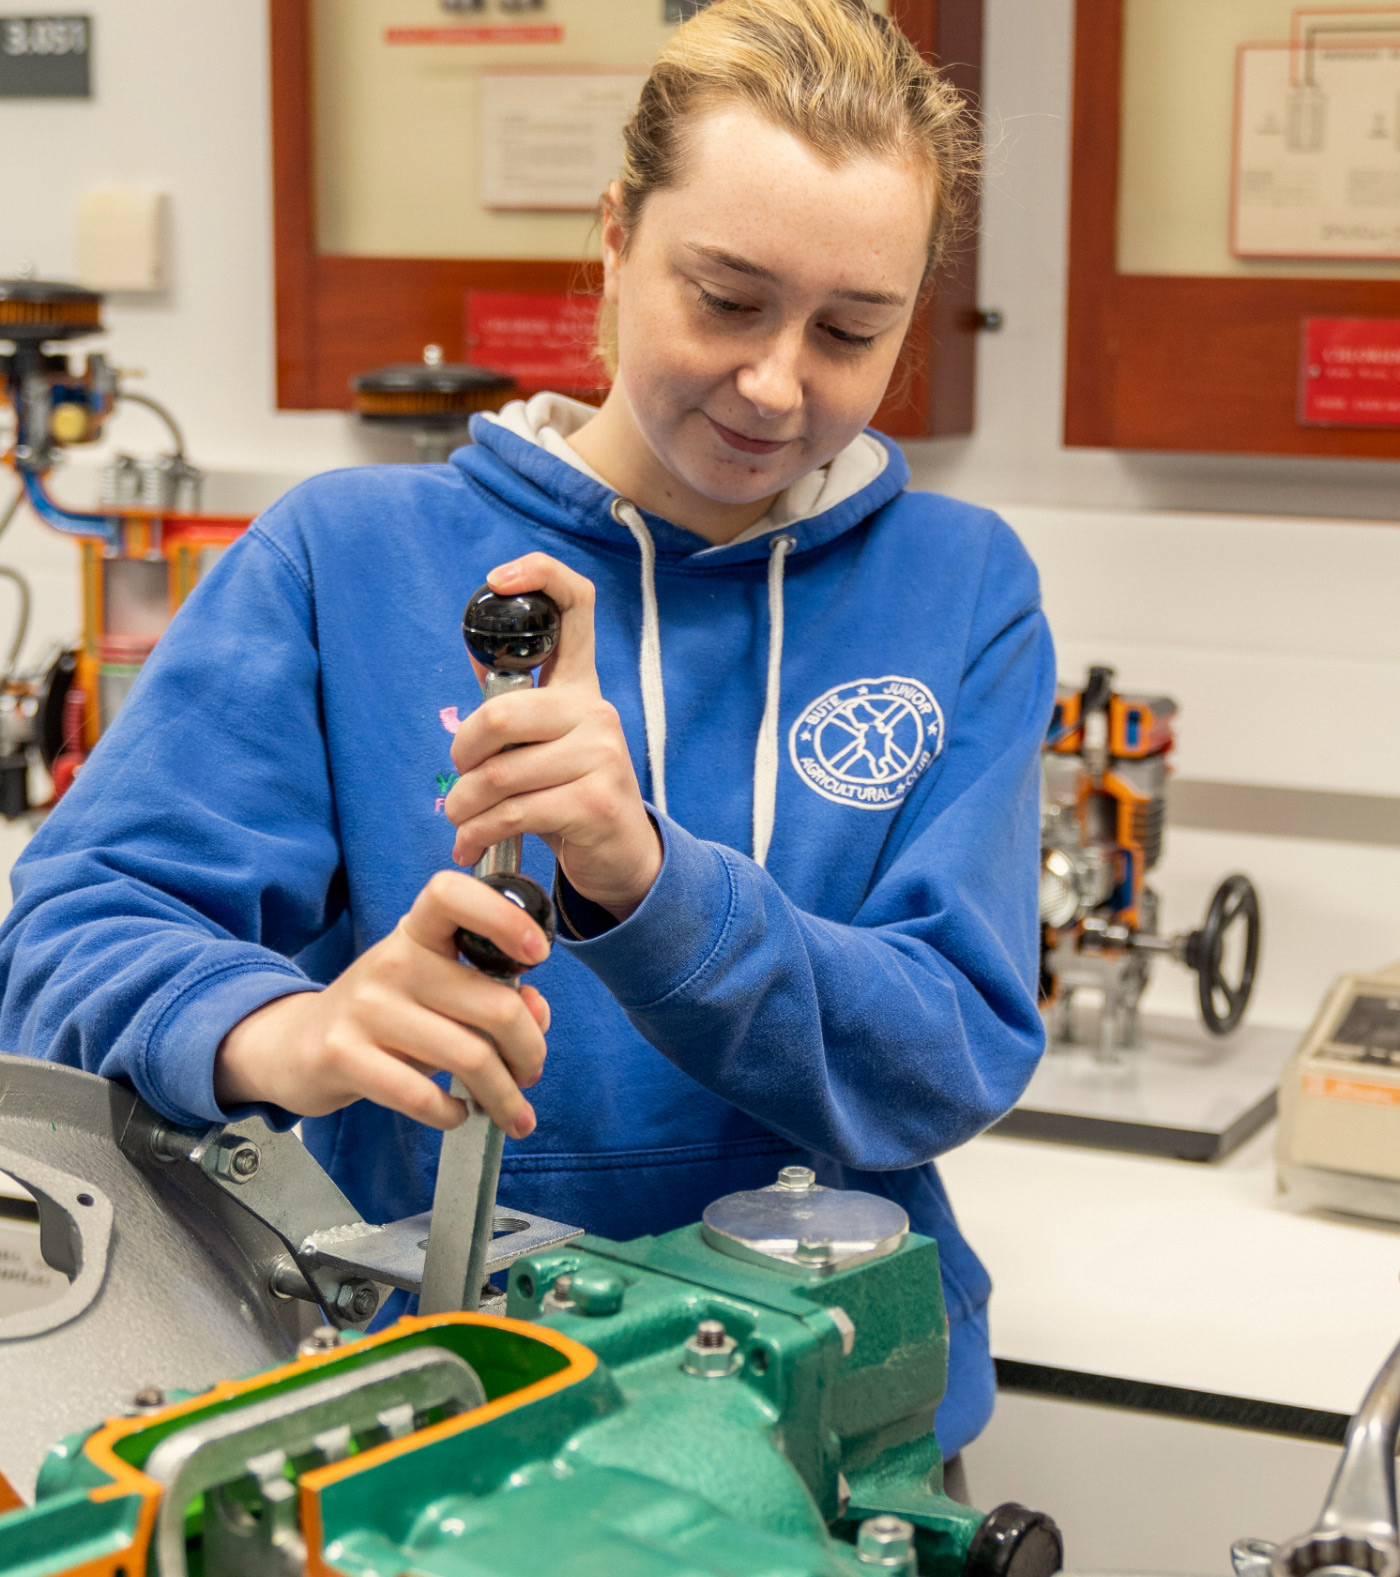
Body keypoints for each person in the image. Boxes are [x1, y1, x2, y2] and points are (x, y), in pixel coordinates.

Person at [0, 0, 1054, 1463]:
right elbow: (63, 945)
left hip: (827, 1417)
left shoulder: (960, 588)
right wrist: (285, 1030)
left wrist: (651, 885)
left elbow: (949, 1055)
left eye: (849, 331)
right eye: (726, 300)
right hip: (431, 1400)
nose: (775, 383)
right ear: (616, 241)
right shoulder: (347, 557)